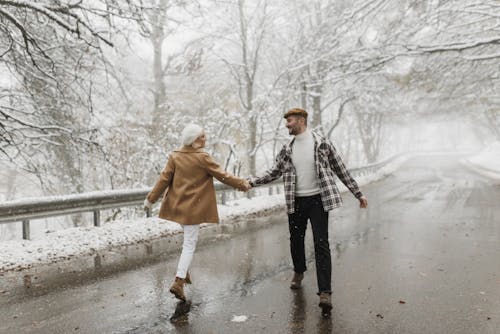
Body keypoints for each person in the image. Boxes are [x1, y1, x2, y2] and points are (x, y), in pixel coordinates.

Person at [248, 108, 368, 315]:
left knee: (321, 244)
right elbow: (274, 171)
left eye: (290, 121)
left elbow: (341, 169)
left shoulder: (322, 143)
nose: (286, 125)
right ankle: (299, 271)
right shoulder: (287, 148)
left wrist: (358, 193)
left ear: (301, 120)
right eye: (286, 121)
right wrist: (252, 182)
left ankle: (325, 292)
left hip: (318, 200)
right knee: (296, 239)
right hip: (296, 201)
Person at [144, 124, 251, 302]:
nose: (205, 139)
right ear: (193, 140)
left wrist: (150, 199)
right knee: (189, 244)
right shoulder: (202, 157)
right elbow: (222, 175)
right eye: (202, 137)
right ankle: (178, 281)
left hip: (178, 207)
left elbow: (163, 179)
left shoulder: (175, 156)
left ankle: (184, 273)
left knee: (187, 240)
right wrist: (241, 183)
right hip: (193, 209)